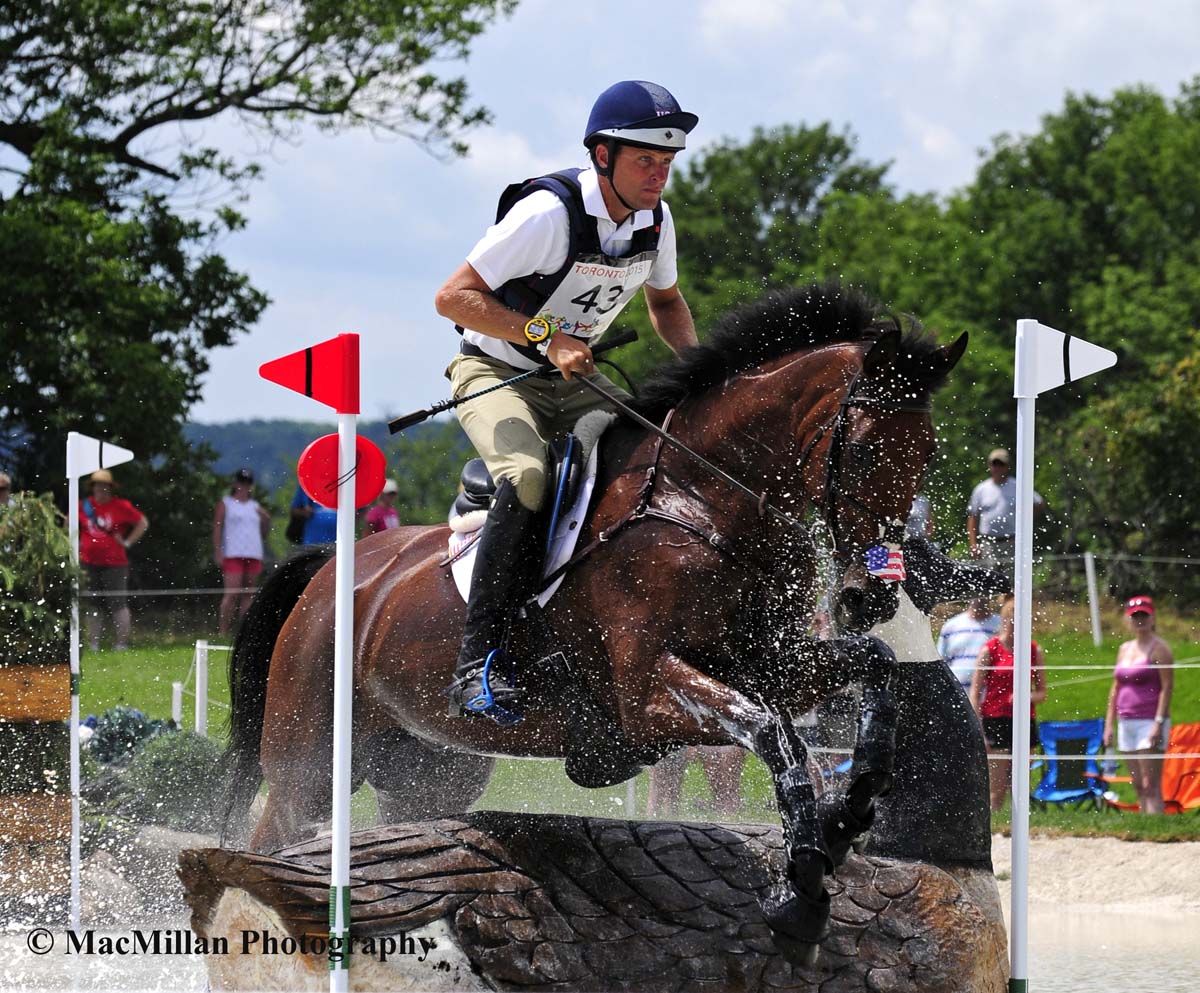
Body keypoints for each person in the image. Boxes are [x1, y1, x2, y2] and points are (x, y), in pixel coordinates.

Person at [433, 80, 700, 718]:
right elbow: (452, 297)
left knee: (662, 459)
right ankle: (477, 664)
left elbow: (665, 303)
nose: (658, 176)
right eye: (645, 161)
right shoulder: (547, 215)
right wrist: (546, 337)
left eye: (666, 163)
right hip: (495, 373)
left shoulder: (655, 224)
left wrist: (699, 372)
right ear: (603, 156)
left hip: (577, 383)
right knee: (528, 477)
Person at [969, 596, 1047, 813]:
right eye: (1013, 620)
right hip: (995, 718)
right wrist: (979, 728)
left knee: (1020, 785)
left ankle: (1019, 824)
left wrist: (1026, 697)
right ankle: (994, 822)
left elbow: (1042, 693)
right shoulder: (990, 649)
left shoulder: (1034, 650)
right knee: (996, 786)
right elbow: (975, 693)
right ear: (1005, 620)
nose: (1017, 626)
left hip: (1024, 719)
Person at [1103, 595, 1174, 814]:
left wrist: (1158, 722)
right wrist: (1109, 724)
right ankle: (1146, 825)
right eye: (1135, 616)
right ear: (1128, 619)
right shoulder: (1124, 649)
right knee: (1137, 785)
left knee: (1149, 783)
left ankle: (1156, 825)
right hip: (1126, 721)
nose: (1139, 619)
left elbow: (1167, 687)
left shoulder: (1160, 648)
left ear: (1153, 618)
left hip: (1149, 720)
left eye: (1144, 615)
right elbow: (1115, 688)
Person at [78, 469, 148, 650]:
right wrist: (74, 545)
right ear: (92, 487)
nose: (101, 488)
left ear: (110, 487)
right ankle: (92, 643)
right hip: (87, 561)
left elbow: (142, 523)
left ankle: (121, 644)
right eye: (97, 485)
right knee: (93, 603)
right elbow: (67, 523)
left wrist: (127, 542)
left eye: (105, 485)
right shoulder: (82, 505)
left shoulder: (120, 506)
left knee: (118, 603)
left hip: (115, 564)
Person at [965, 448, 1044, 576]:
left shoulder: (1018, 486)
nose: (997, 468)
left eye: (1000, 464)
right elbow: (973, 517)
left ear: (1007, 466)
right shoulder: (981, 489)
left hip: (1012, 542)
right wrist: (974, 544)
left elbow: (1039, 503)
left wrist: (1025, 519)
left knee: (1012, 584)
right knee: (989, 584)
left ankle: (1009, 596)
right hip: (988, 544)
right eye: (994, 464)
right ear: (989, 466)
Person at [213, 468, 271, 635]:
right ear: (235, 484)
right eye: (241, 483)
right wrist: (218, 550)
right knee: (232, 593)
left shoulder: (255, 507)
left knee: (249, 594)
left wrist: (266, 519)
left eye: (247, 483)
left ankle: (244, 631)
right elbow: (217, 528)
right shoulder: (226, 503)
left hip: (253, 552)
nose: (244, 487)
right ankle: (223, 631)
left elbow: (264, 532)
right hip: (233, 552)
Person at [648, 746, 746, 820]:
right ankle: (652, 817)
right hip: (667, 735)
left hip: (681, 737)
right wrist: (692, 746)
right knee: (658, 784)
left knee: (673, 788)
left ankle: (729, 815)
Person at [937, 596, 1001, 693]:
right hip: (958, 696)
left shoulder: (1000, 625)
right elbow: (940, 664)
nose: (980, 597)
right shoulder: (951, 626)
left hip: (990, 698)